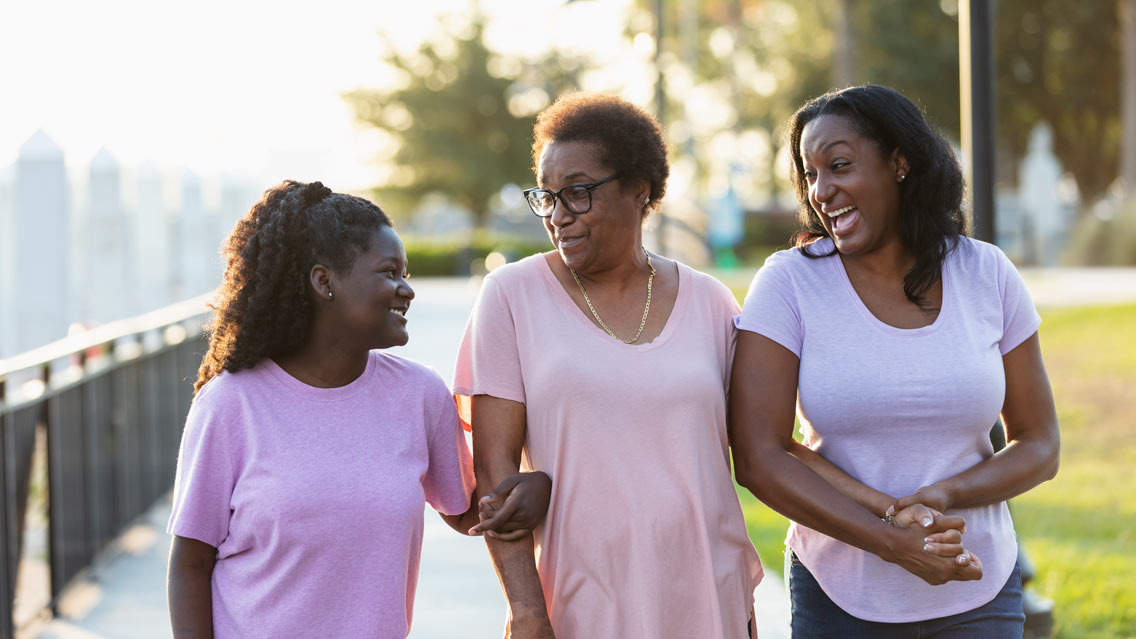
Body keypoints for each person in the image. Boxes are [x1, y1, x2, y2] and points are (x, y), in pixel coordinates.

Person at [729, 85, 1060, 637]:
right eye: (811, 176)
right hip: (840, 596)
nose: (822, 192)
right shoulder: (789, 283)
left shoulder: (988, 274)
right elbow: (759, 455)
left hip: (977, 587)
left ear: (900, 163)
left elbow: (1040, 443)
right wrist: (892, 538)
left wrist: (946, 493)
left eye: (838, 166)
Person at [165, 180, 551, 639]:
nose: (406, 289)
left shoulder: (419, 395)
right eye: (390, 272)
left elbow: (469, 512)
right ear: (324, 281)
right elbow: (189, 565)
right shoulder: (231, 405)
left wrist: (534, 488)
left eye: (406, 273)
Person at [453, 93, 763, 639]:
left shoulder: (712, 303)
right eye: (546, 197)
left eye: (576, 193)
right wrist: (526, 609)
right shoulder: (511, 296)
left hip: (708, 592)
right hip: (581, 598)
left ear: (639, 189)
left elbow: (761, 451)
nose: (557, 216)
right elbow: (494, 475)